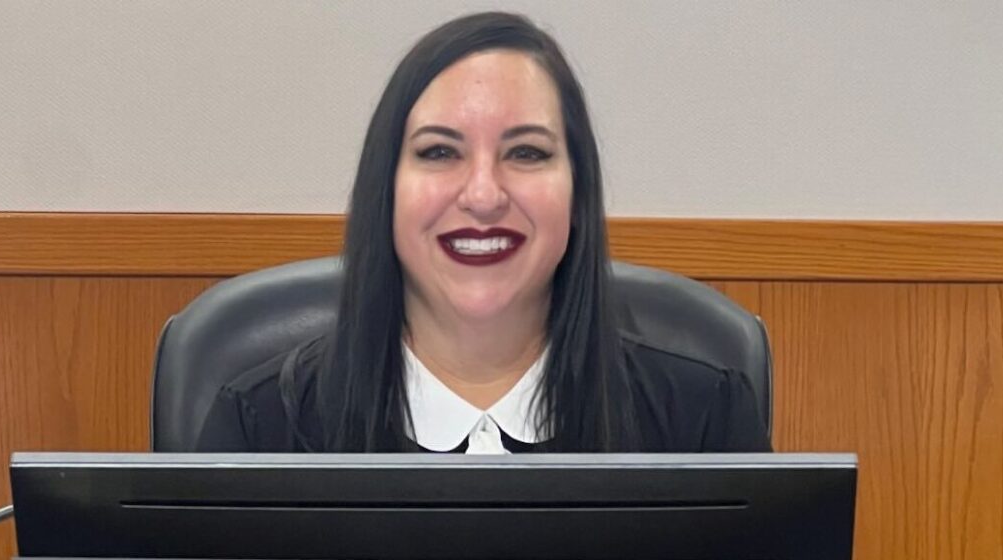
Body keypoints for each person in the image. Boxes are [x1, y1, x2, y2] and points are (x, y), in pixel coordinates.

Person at [197, 12, 771, 454]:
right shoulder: (258, 429)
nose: (483, 195)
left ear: (578, 195)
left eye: (526, 152)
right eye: (439, 152)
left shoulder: (706, 422)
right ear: (385, 192)